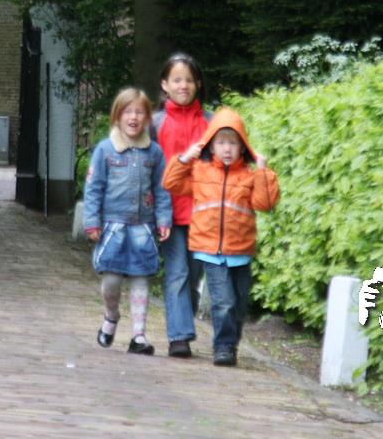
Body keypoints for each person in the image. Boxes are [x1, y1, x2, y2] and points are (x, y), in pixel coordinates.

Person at [162, 108, 280, 367]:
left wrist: (263, 172)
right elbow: (171, 183)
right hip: (210, 252)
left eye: (233, 143)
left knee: (238, 306)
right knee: (223, 302)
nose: (227, 149)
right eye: (221, 142)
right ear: (211, 146)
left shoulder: (249, 176)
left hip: (241, 252)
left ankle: (230, 345)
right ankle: (223, 347)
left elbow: (265, 203)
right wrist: (184, 159)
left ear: (243, 147)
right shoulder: (200, 172)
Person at [83, 88, 173, 355]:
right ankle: (111, 317)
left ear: (147, 118)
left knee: (140, 280)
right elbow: (94, 188)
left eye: (139, 112)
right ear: (117, 116)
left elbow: (161, 189)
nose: (133, 117)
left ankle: (139, 336)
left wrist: (163, 220)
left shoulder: (154, 153)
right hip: (113, 228)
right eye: (127, 112)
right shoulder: (105, 150)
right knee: (111, 279)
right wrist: (92, 221)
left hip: (143, 228)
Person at [150, 53, 212, 359]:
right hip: (169, 212)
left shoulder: (212, 122)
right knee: (177, 272)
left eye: (189, 80)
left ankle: (182, 329)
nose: (183, 85)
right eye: (177, 80)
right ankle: (179, 338)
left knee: (193, 275)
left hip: (203, 213)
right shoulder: (155, 123)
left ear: (198, 84)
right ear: (165, 84)